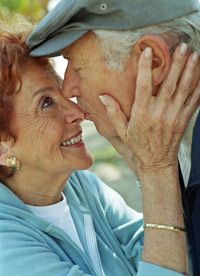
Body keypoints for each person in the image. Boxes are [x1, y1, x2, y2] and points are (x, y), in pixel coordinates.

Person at [0, 13, 199, 276]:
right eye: (46, 103)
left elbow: (174, 254)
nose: (77, 112)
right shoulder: (7, 248)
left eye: (62, 92)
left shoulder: (82, 187)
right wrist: (155, 168)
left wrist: (138, 159)